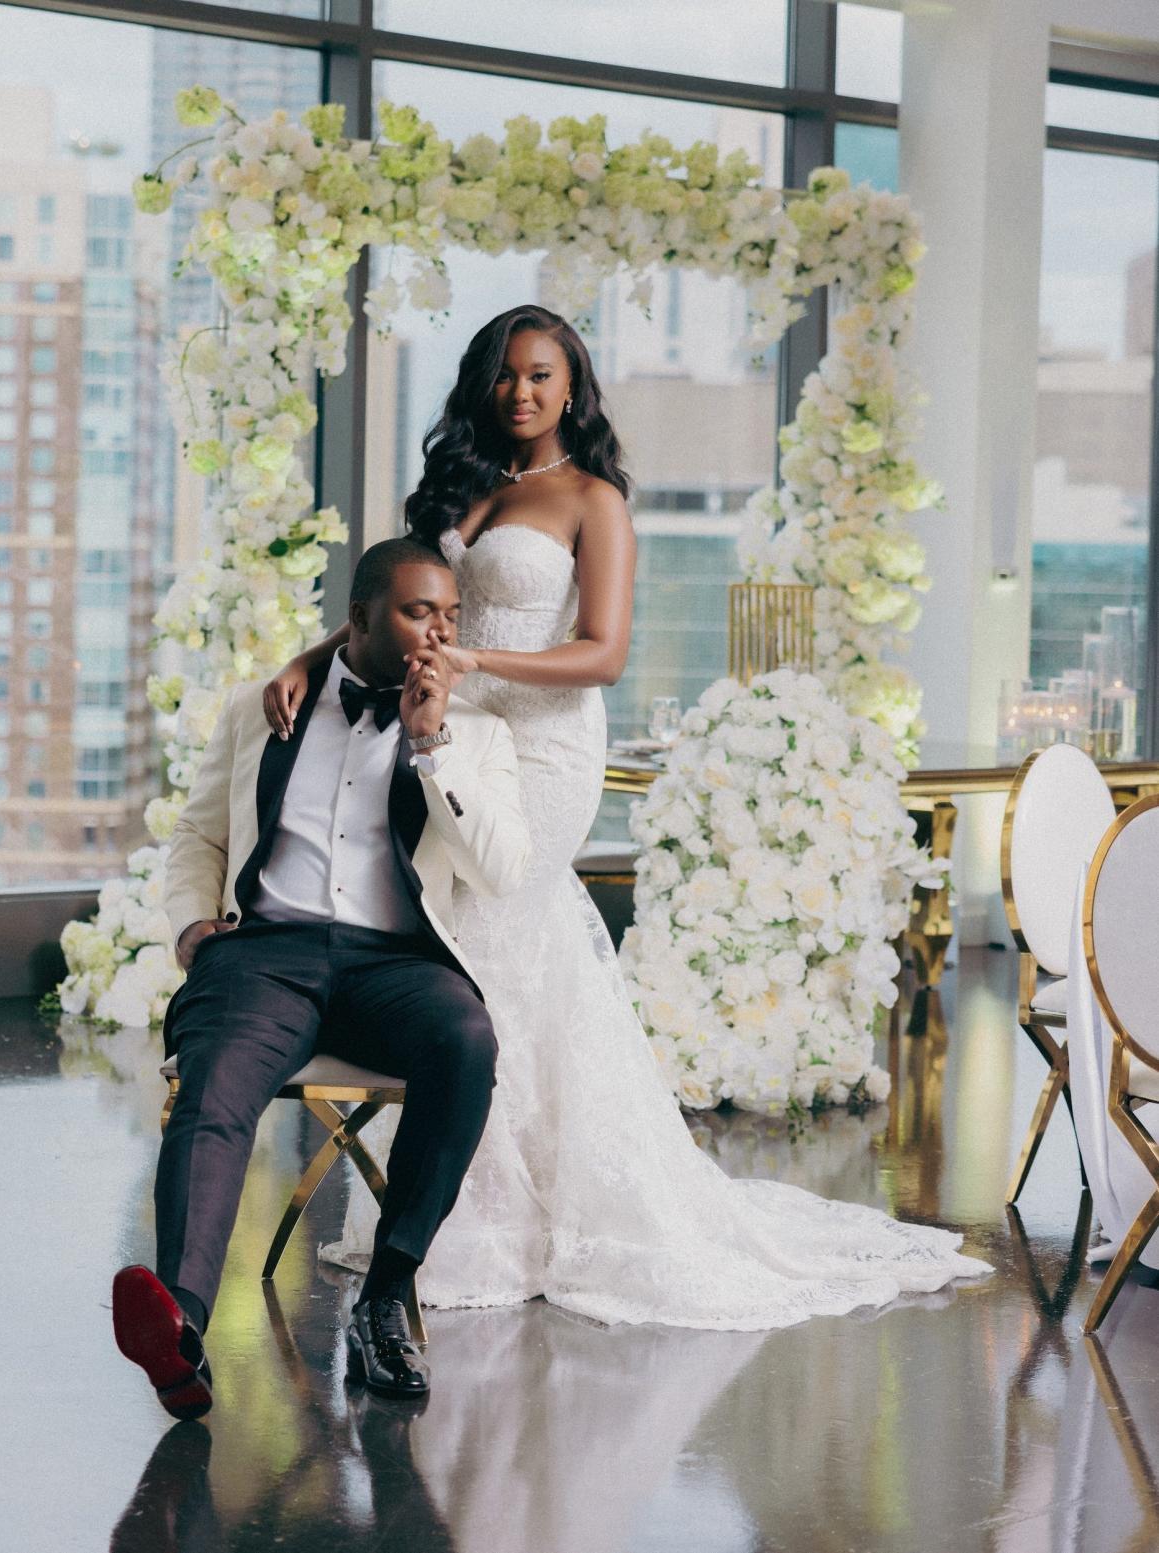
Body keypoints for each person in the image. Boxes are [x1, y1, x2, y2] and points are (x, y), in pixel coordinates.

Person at [264, 304, 990, 1332]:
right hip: (449, 740)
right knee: (444, 939)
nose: (522, 392)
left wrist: (478, 661)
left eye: (543, 375)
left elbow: (604, 652)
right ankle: (461, 1205)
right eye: (507, 374)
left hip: (548, 744)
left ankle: (505, 1219)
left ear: (574, 386)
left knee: (506, 928)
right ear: (484, 382)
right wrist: (309, 659)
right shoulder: (454, 486)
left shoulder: (594, 499)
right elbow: (390, 602)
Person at [112, 538, 531, 1413]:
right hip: (266, 952)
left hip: (395, 964)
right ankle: (180, 1329)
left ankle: (385, 1296)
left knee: (467, 1040)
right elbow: (198, 836)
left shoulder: (479, 737)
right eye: (420, 612)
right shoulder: (261, 708)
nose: (438, 632)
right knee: (215, 1087)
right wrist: (194, 926)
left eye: (451, 617)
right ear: (361, 617)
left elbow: (502, 872)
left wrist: (432, 743)